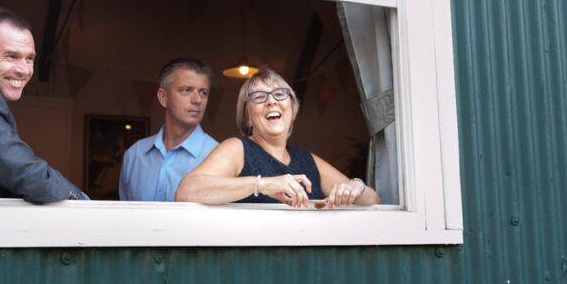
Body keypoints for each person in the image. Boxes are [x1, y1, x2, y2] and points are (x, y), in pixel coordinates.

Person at [176, 69, 380, 207]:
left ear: (291, 107)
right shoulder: (237, 148)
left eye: (280, 94)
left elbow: (373, 202)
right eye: (259, 97)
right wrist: (262, 185)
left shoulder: (307, 160)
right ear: (247, 116)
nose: (271, 101)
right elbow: (186, 191)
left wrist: (356, 187)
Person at [0, 8, 87, 202]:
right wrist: (82, 202)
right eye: (11, 56)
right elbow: (29, 176)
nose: (24, 70)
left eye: (30, 58)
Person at [119, 58, 219, 201]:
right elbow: (124, 218)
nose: (197, 100)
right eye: (186, 90)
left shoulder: (219, 156)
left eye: (203, 92)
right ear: (163, 97)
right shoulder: (134, 155)